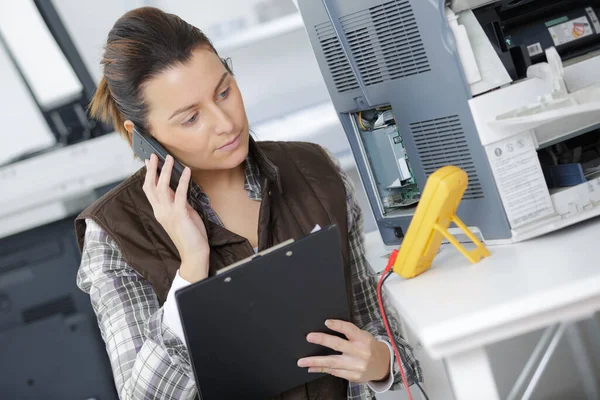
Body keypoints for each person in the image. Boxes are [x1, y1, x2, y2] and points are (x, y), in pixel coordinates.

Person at [75, 7, 421, 400]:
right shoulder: (115, 233)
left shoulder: (314, 170)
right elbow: (145, 395)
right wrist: (191, 266)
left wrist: (380, 363)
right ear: (142, 136)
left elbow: (381, 333)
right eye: (191, 118)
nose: (225, 122)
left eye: (224, 91)